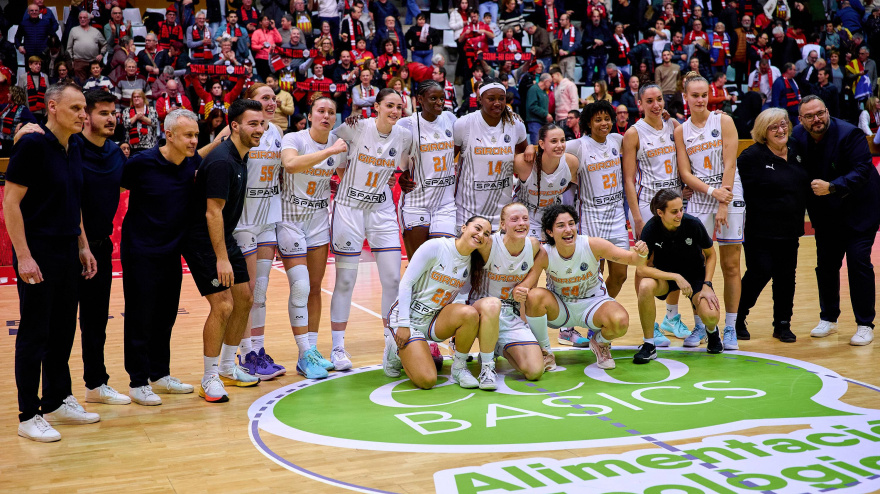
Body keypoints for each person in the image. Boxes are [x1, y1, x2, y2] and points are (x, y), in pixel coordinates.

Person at [4, 82, 99, 442]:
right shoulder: (31, 143)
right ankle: (28, 414)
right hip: (37, 252)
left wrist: (83, 246)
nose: (83, 115)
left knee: (62, 329)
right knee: (35, 333)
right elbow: (10, 204)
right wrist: (24, 256)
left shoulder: (72, 146)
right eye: (76, 108)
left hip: (66, 251)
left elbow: (72, 203)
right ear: (53, 107)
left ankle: (57, 400)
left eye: (84, 109)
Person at [182, 99, 266, 403]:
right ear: (234, 126)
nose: (259, 129)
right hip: (202, 240)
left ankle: (229, 367)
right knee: (223, 306)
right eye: (252, 124)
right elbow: (212, 213)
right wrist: (221, 258)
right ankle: (210, 377)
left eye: (261, 123)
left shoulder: (241, 156)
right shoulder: (221, 161)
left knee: (245, 298)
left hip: (221, 236)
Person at [120, 108, 203, 405]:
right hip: (140, 251)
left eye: (196, 135)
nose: (193, 140)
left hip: (172, 252)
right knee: (140, 316)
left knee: (165, 315)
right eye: (188, 135)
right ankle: (138, 381)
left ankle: (160, 374)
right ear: (168, 135)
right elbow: (117, 186)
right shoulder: (141, 164)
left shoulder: (193, 162)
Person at [329, 89, 413, 366]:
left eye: (399, 107)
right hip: (349, 209)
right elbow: (335, 154)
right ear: (376, 106)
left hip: (382, 210)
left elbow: (405, 167)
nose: (394, 111)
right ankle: (338, 348)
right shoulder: (355, 127)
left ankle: (391, 345)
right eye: (389, 105)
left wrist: (397, 178)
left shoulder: (403, 135)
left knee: (392, 280)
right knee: (345, 281)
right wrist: (347, 178)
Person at [523, 204, 649, 370]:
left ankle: (599, 342)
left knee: (620, 321)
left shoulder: (593, 244)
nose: (568, 229)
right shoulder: (544, 253)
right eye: (561, 226)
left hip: (593, 303)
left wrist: (641, 253)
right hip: (561, 307)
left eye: (571, 223)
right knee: (533, 296)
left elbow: (633, 260)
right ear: (549, 232)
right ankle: (545, 351)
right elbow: (527, 285)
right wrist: (521, 290)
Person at [797, 96, 880, 345]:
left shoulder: (850, 134)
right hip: (826, 215)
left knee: (858, 263)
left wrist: (833, 187)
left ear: (828, 111)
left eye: (820, 113)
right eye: (809, 116)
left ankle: (865, 324)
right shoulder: (797, 138)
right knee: (826, 266)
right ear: (800, 120)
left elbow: (863, 170)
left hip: (860, 210)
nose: (816, 119)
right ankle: (829, 319)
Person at [279, 97, 349, 379]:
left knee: (315, 288)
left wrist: (385, 179)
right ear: (309, 115)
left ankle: (313, 348)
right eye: (320, 111)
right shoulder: (294, 138)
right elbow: (291, 165)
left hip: (319, 220)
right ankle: (303, 353)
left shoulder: (338, 145)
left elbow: (346, 177)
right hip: (290, 220)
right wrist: (330, 150)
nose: (326, 116)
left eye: (331, 112)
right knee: (300, 286)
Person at [383, 217, 494, 390]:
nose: (481, 235)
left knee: (469, 313)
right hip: (409, 319)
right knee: (427, 380)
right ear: (464, 227)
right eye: (477, 228)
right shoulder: (436, 247)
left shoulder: (474, 261)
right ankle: (393, 349)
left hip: (434, 319)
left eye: (486, 234)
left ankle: (459, 368)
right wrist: (403, 324)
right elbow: (406, 283)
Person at [675, 71, 743, 351]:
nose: (700, 100)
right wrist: (711, 193)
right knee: (697, 265)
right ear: (685, 97)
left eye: (704, 95)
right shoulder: (681, 130)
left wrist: (723, 202)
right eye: (695, 95)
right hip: (703, 196)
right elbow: (684, 173)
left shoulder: (723, 120)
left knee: (730, 264)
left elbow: (730, 163)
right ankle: (702, 324)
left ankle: (730, 327)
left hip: (729, 193)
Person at [622, 83, 692, 341]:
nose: (656, 105)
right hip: (646, 206)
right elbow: (628, 179)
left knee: (676, 260)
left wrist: (683, 188)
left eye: (659, 99)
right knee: (645, 264)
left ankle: (671, 318)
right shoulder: (633, 133)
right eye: (649, 100)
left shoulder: (674, 127)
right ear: (640, 104)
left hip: (673, 203)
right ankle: (649, 330)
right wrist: (637, 218)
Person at [230, 84, 289, 380]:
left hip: (269, 216)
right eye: (265, 97)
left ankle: (258, 351)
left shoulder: (276, 133)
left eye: (273, 97)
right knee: (248, 293)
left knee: (261, 293)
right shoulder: (240, 133)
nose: (272, 101)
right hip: (244, 219)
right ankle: (244, 353)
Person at [736, 108, 809, 342]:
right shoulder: (751, 157)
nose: (781, 130)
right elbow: (733, 185)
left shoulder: (797, 150)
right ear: (763, 132)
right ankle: (736, 318)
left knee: (787, 277)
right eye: (773, 127)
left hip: (790, 230)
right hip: (760, 230)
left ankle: (782, 324)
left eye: (783, 124)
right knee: (759, 272)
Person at [634, 189, 722, 361]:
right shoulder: (651, 229)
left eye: (681, 209)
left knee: (711, 315)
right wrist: (675, 277)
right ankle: (649, 344)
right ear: (660, 213)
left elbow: (711, 254)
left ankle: (712, 332)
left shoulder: (693, 224)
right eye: (674, 211)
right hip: (667, 279)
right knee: (645, 285)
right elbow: (641, 269)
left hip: (695, 277)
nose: (680, 214)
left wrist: (707, 284)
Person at [470, 203, 546, 382]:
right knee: (492, 304)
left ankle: (497, 346)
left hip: (510, 314)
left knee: (535, 371)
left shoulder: (533, 245)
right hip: (480, 312)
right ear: (502, 225)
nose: (521, 223)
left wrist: (526, 284)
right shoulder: (488, 244)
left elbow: (543, 257)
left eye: (525, 219)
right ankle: (483, 364)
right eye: (515, 219)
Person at [566, 101, 629, 298]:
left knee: (620, 275)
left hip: (617, 216)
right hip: (592, 218)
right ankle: (594, 315)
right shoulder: (578, 145)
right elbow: (552, 145)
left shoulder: (617, 140)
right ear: (589, 123)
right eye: (598, 120)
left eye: (607, 119)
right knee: (595, 275)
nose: (604, 123)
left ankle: (602, 309)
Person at [454, 77, 529, 230]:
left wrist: (530, 149)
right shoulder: (464, 124)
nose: (497, 103)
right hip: (468, 211)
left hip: (503, 211)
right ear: (480, 99)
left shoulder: (516, 125)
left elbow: (524, 158)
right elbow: (447, 161)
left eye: (501, 98)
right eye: (491, 98)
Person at [397, 80, 459, 257]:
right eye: (433, 98)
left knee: (442, 261)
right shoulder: (406, 124)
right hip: (417, 202)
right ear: (420, 100)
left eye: (442, 98)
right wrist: (401, 172)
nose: (439, 102)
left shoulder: (450, 119)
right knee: (418, 265)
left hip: (445, 203)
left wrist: (509, 116)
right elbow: (389, 153)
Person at [515, 123, 579, 240]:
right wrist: (530, 147)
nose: (560, 145)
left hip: (553, 216)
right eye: (554, 141)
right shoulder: (524, 163)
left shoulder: (571, 163)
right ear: (542, 144)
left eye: (562, 140)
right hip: (525, 217)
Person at [67, 10, 108, 82]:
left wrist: (101, 54)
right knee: (79, 85)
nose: (82, 19)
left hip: (93, 62)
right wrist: (71, 60)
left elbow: (105, 44)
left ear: (89, 19)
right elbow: (69, 48)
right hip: (79, 62)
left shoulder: (96, 31)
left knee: (93, 84)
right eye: (80, 18)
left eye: (84, 17)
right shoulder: (74, 30)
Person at [122, 89, 159, 154]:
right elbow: (126, 124)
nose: (136, 98)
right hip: (133, 146)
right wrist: (136, 117)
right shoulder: (127, 111)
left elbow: (155, 122)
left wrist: (143, 118)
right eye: (134, 97)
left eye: (138, 97)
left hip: (149, 144)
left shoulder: (151, 110)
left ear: (143, 98)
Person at [525, 73, 553, 144]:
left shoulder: (544, 92)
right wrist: (546, 114)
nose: (550, 84)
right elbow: (532, 106)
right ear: (546, 81)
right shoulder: (534, 89)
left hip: (543, 122)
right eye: (550, 82)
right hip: (534, 122)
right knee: (536, 144)